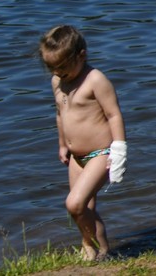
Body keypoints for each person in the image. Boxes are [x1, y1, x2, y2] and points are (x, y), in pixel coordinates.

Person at [41, 25, 127, 261]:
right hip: (76, 158)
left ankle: (103, 250)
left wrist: (119, 149)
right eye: (52, 68)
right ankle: (90, 248)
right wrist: (62, 144)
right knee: (84, 209)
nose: (58, 73)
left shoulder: (95, 80)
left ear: (82, 55)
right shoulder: (57, 81)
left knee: (74, 204)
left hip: (100, 153)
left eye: (62, 68)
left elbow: (114, 115)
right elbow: (61, 114)